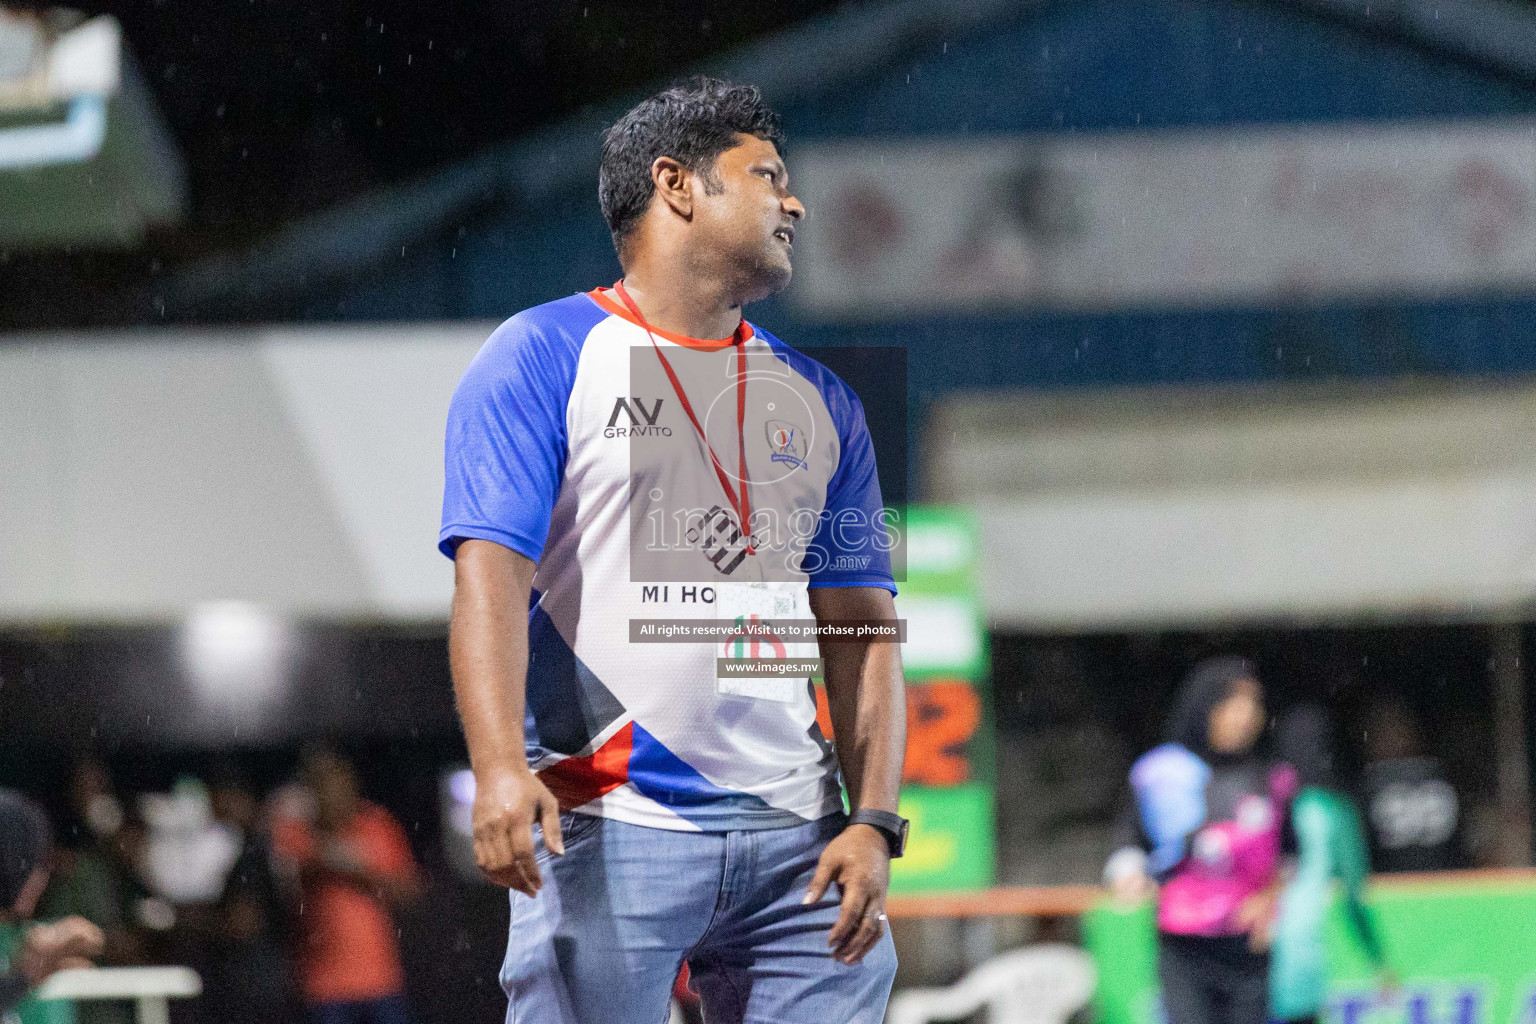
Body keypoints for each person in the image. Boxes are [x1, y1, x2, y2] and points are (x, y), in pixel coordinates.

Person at [441, 76, 907, 1024]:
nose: (795, 200)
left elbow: (863, 629)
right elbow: (489, 581)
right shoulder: (541, 355)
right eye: (767, 174)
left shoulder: (825, 400)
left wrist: (874, 819)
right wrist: (498, 768)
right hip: (607, 824)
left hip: (800, 845)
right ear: (677, 185)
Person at [1105, 657, 1296, 1024]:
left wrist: (1270, 903)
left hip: (1248, 948)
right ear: (1205, 705)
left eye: (1253, 703)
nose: (1245, 715)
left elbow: (1289, 856)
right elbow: (1129, 840)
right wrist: (1128, 874)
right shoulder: (1162, 774)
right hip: (1183, 944)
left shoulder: (1271, 779)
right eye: (1232, 702)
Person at [271, 749, 422, 1024]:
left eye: (338, 784)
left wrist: (353, 868)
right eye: (322, 786)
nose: (332, 794)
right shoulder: (296, 831)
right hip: (324, 985)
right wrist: (347, 862)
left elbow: (408, 888)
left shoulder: (377, 824)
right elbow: (294, 877)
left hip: (381, 979)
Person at [1270, 705, 1390, 1024]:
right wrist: (1378, 961)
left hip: (1247, 962)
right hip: (1300, 971)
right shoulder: (1333, 812)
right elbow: (1354, 897)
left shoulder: (1258, 802)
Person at [0, 789, 105, 1015]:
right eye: (34, 862)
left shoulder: (16, 936)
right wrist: (23, 977)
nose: (42, 877)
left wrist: (25, 975)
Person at [1358, 700, 1462, 872]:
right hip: (1437, 882)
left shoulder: (1370, 782)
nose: (1393, 739)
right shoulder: (1443, 773)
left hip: (1432, 882)